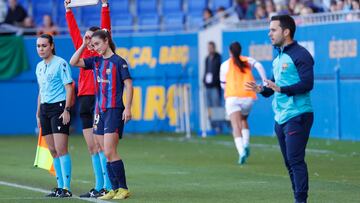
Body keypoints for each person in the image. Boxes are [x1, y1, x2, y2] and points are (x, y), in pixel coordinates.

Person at [245, 15, 314, 203]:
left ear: (286, 31)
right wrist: (262, 89)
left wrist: (282, 89)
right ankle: (297, 198)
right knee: (289, 163)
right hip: (281, 118)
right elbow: (273, 86)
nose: (269, 33)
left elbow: (307, 84)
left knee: (295, 160)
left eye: (273, 30)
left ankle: (301, 200)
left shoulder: (301, 54)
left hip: (298, 114)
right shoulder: (278, 57)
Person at [70, 29, 133, 200]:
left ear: (106, 41)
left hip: (114, 109)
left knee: (110, 151)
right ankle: (112, 189)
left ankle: (123, 188)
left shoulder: (119, 62)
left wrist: (127, 107)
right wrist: (84, 44)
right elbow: (73, 62)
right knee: (104, 151)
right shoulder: (95, 61)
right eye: (93, 44)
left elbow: (128, 84)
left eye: (97, 44)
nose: (95, 48)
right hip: (99, 111)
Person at [64, 0, 112, 198]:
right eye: (88, 38)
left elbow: (106, 27)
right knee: (92, 146)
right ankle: (98, 184)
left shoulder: (101, 54)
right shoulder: (82, 49)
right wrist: (67, 9)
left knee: (101, 145)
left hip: (98, 97)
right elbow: (73, 29)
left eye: (94, 38)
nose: (90, 40)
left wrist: (104, 6)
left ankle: (106, 186)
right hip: (84, 98)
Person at [35, 34, 74, 198]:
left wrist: (67, 109)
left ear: (51, 46)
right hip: (45, 108)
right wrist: (38, 112)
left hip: (58, 107)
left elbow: (69, 88)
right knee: (52, 150)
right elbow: (41, 91)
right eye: (38, 46)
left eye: (44, 45)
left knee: (61, 148)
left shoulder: (61, 63)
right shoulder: (39, 66)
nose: (41, 49)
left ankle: (66, 187)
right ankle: (59, 186)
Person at [220, 41, 267, 164]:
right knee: (244, 120)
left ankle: (241, 152)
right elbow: (260, 66)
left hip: (232, 98)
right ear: (240, 50)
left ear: (230, 52)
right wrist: (265, 82)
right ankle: (246, 144)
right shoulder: (247, 60)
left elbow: (222, 85)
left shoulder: (225, 65)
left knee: (236, 126)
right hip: (247, 96)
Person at [203, 41, 222, 133]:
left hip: (215, 87)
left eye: (211, 47)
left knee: (216, 107)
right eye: (208, 47)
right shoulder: (207, 59)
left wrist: (216, 80)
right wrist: (204, 80)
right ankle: (212, 126)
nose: (209, 49)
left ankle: (219, 127)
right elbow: (206, 71)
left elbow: (219, 71)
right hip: (208, 87)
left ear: (214, 48)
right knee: (209, 107)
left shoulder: (218, 57)